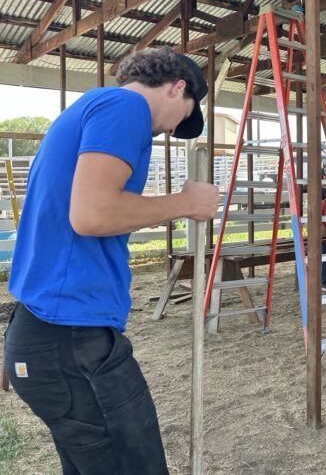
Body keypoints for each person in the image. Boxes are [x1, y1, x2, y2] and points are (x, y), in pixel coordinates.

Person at [3, 47, 220, 474]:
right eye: (185, 115)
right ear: (178, 87)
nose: (174, 130)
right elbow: (93, 214)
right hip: (70, 339)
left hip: (48, 331)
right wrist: (183, 203)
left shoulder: (86, 110)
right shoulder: (125, 106)